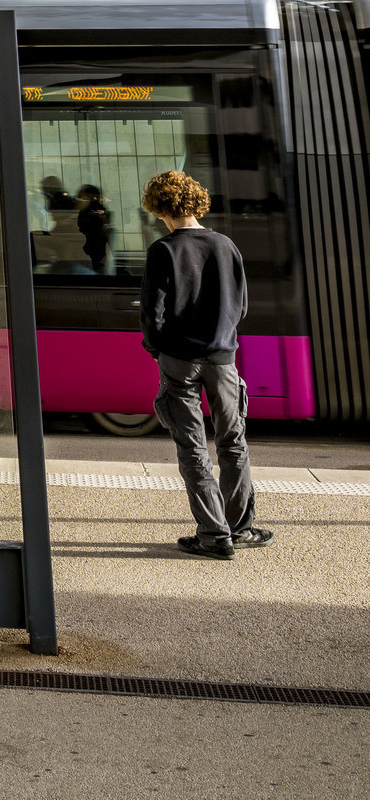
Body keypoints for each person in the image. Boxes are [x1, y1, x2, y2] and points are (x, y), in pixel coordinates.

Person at [139, 167, 273, 560]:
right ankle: (240, 528)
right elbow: (241, 306)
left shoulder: (162, 250)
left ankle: (214, 537)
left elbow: (152, 315)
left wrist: (158, 350)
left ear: (160, 209)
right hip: (223, 360)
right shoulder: (225, 245)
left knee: (193, 447)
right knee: (233, 441)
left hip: (179, 361)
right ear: (196, 203)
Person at [76, 184, 113, 276]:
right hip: (90, 238)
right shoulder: (86, 210)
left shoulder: (95, 209)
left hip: (95, 239)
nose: (94, 199)